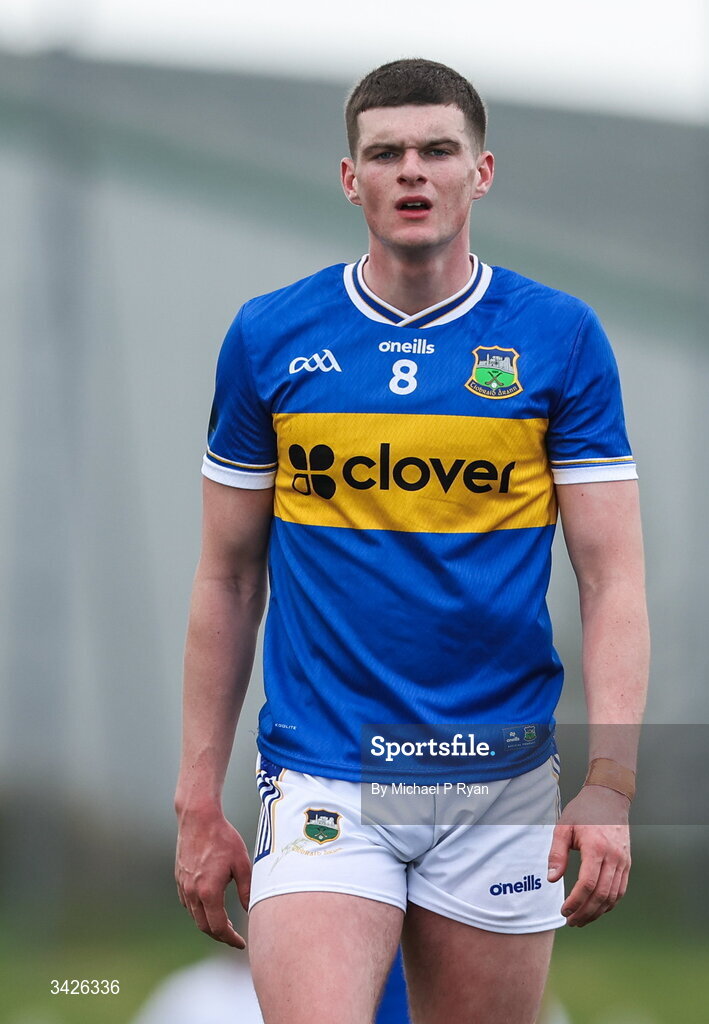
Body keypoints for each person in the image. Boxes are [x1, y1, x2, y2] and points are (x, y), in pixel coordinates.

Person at [174, 58, 649, 1024]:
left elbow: (612, 582)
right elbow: (226, 579)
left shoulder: (558, 338)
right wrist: (195, 798)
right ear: (351, 179)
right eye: (385, 153)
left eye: (437, 150)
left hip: (498, 777)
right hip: (322, 772)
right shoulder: (270, 337)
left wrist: (609, 786)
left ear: (481, 172)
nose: (412, 172)